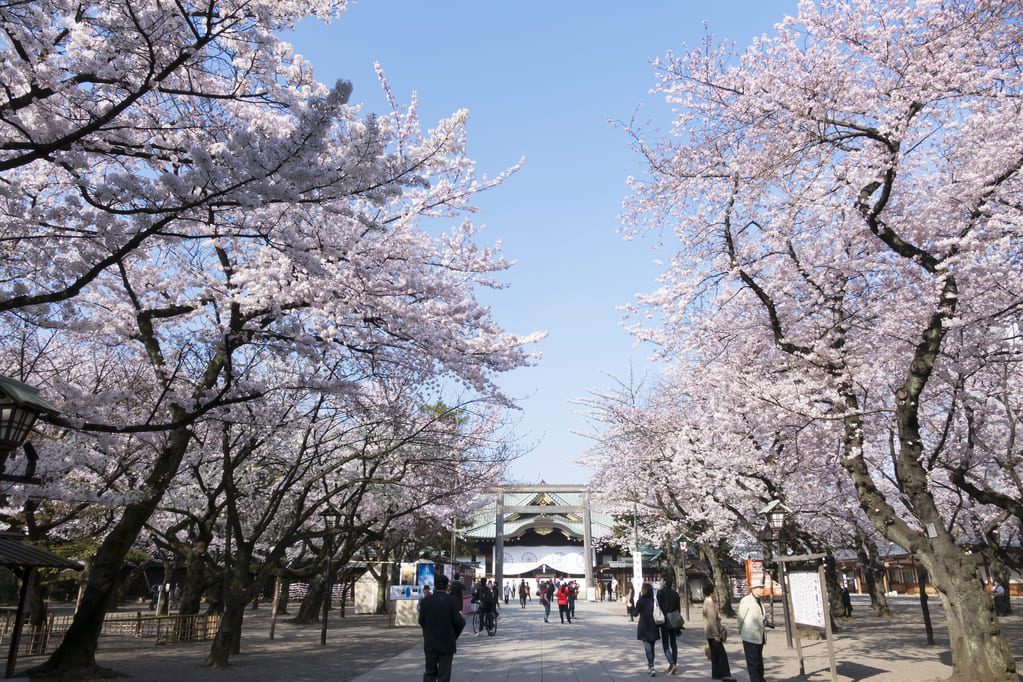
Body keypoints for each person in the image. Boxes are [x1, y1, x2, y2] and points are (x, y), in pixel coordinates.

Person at [419, 574, 465, 682]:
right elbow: (460, 622)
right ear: (447, 586)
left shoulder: (425, 601)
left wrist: (427, 632)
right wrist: (453, 635)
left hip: (430, 642)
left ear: (434, 586)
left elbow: (421, 621)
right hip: (447, 642)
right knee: (444, 674)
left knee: (430, 672)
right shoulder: (451, 601)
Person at [737, 580, 768, 682]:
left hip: (759, 635)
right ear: (753, 589)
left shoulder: (759, 601)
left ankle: (760, 679)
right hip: (750, 635)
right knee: (753, 662)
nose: (762, 590)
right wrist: (739, 628)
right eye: (759, 587)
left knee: (759, 661)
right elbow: (741, 616)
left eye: (762, 587)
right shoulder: (747, 600)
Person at [703, 582, 734, 681]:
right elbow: (712, 620)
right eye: (714, 591)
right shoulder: (710, 604)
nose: (715, 593)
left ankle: (716, 673)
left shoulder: (705, 602)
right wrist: (716, 634)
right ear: (711, 592)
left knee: (715, 655)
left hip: (708, 632)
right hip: (713, 633)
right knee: (721, 655)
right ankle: (724, 673)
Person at [628, 581, 660, 677]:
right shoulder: (653, 600)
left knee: (647, 649)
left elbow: (635, 613)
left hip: (644, 627)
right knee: (652, 648)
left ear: (643, 591)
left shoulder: (641, 600)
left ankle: (651, 666)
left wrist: (630, 607)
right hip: (654, 626)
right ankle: (651, 666)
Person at [656, 574, 682, 675]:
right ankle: (674, 662)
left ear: (665, 581)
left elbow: (658, 608)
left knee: (665, 644)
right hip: (674, 619)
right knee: (673, 643)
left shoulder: (660, 593)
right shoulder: (675, 594)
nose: (661, 581)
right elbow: (678, 609)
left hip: (665, 620)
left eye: (662, 580)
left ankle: (672, 663)